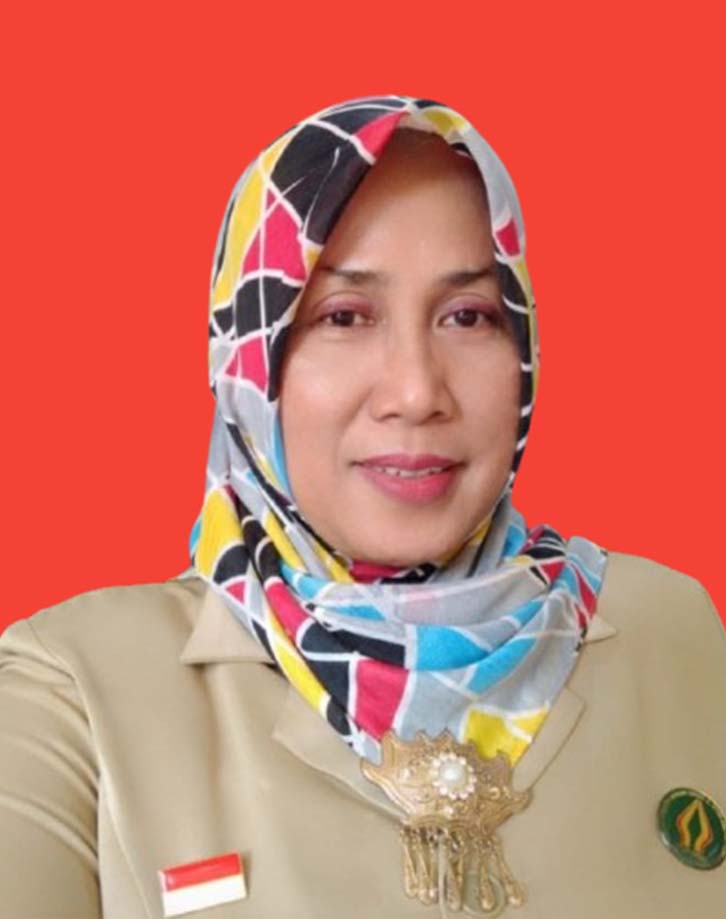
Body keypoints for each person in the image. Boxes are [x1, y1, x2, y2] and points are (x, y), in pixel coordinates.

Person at [1, 95, 724, 919]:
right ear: (250, 359)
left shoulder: (677, 634)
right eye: (343, 316)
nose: (416, 391)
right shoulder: (74, 694)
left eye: (468, 315)